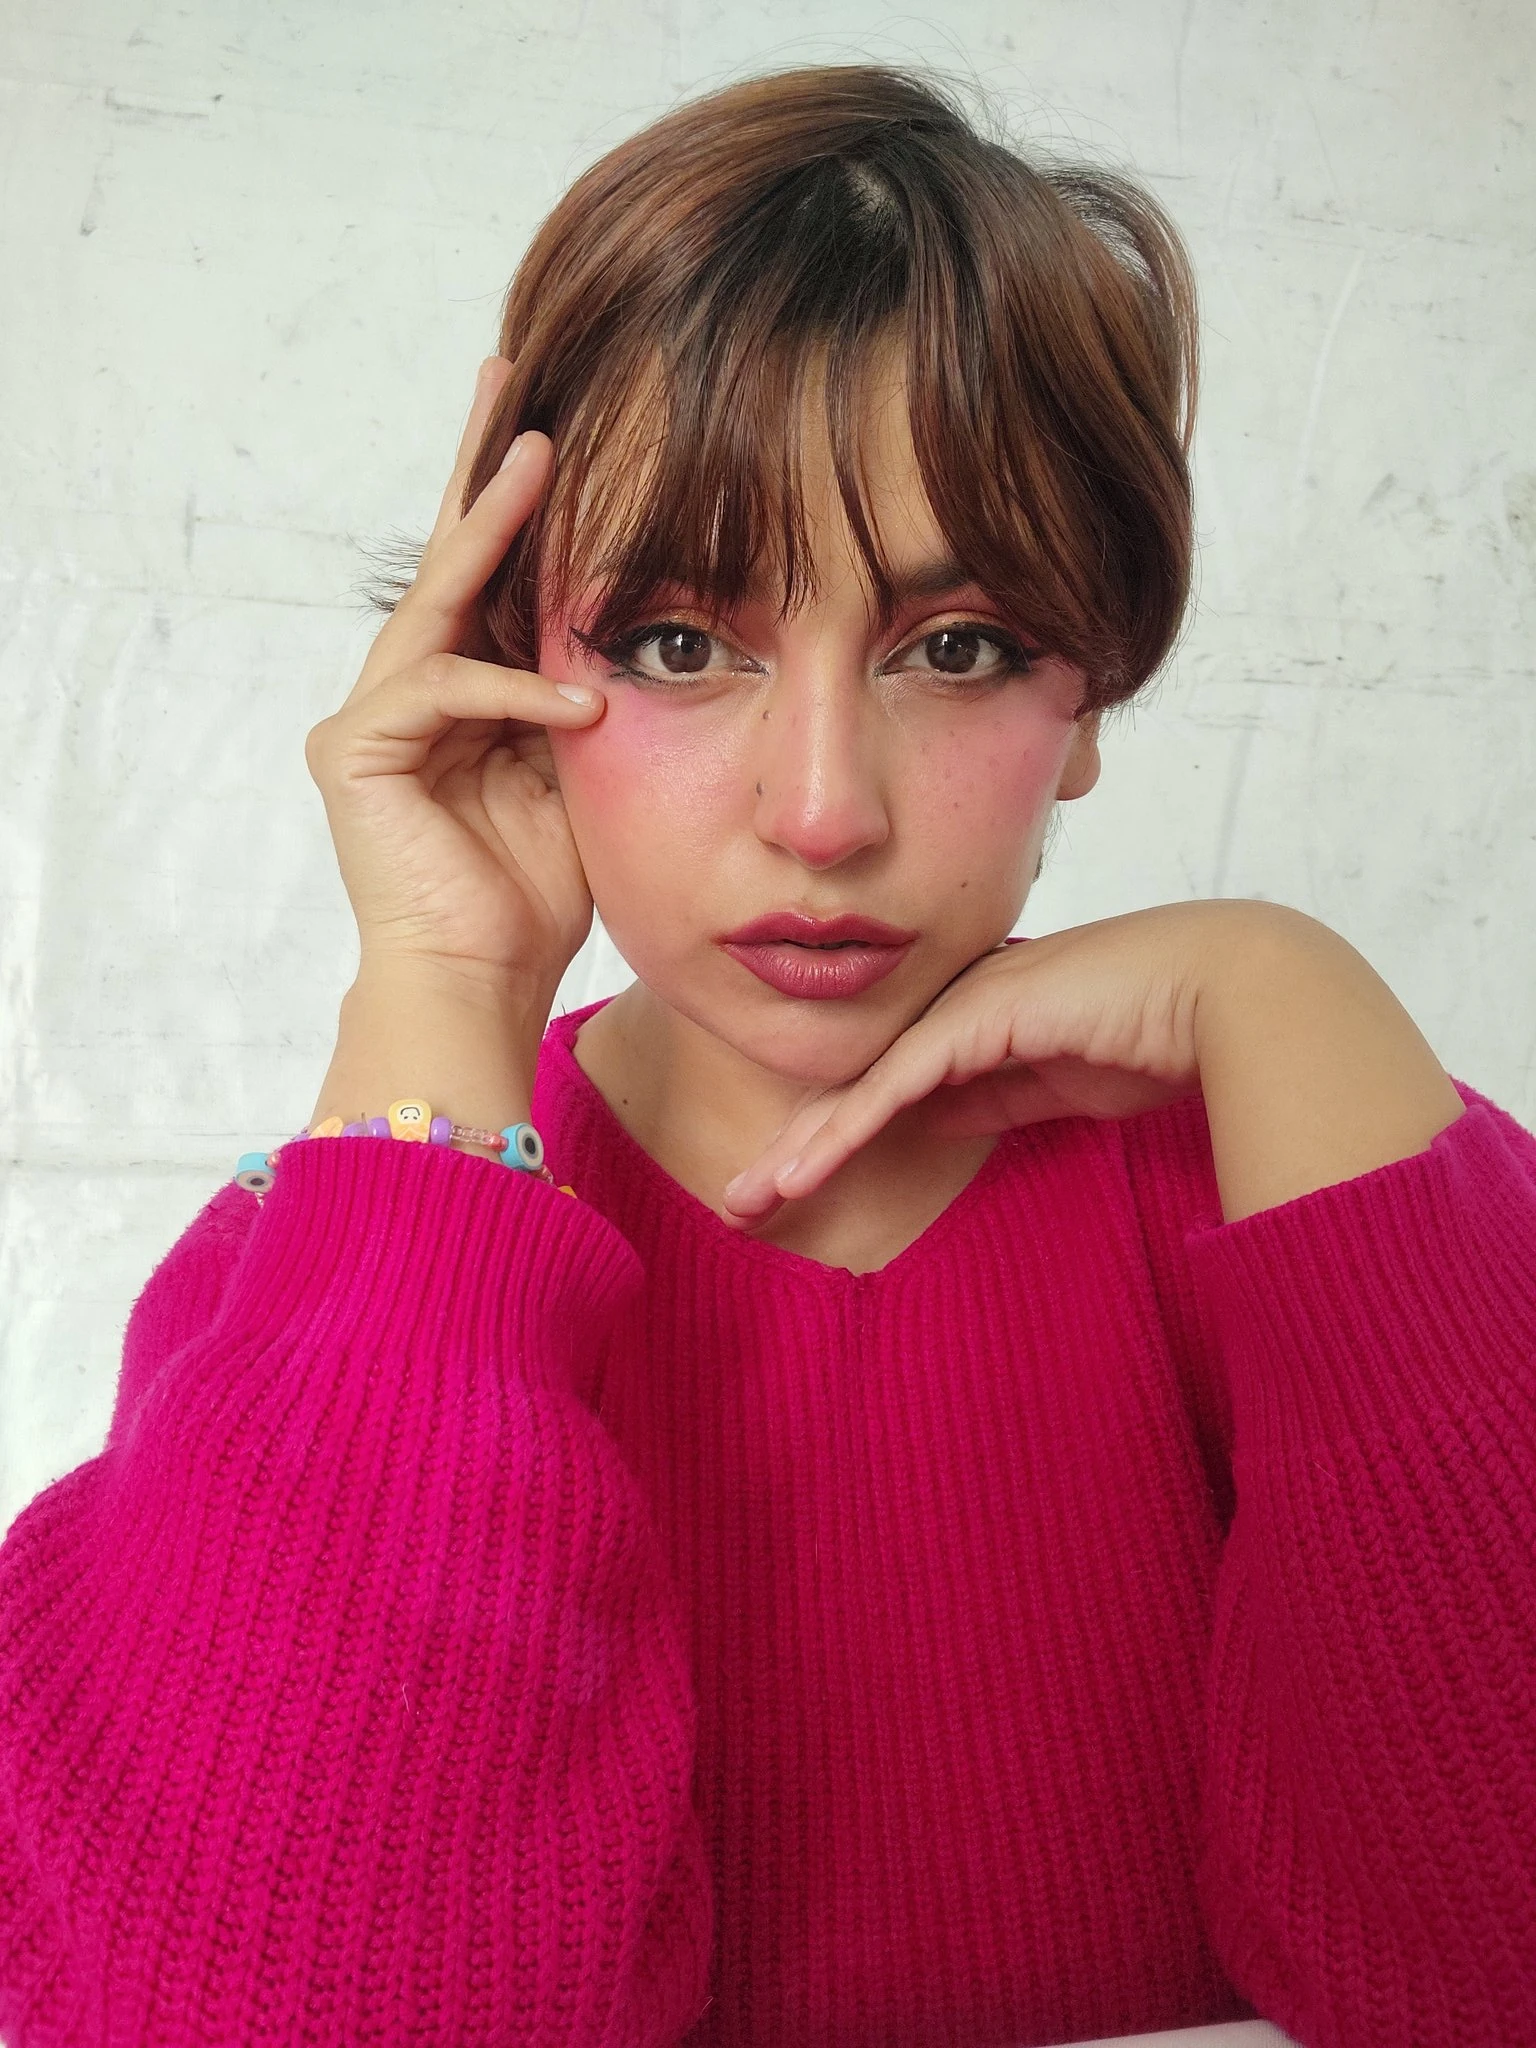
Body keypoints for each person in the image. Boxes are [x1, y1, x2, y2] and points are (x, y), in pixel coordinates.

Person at [1, 61, 1533, 2048]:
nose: (822, 810)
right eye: (678, 641)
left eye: (958, 645)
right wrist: (441, 996)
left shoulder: (1318, 1181)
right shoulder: (329, 1275)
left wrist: (1286, 989)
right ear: (505, 661)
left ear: (1089, 696)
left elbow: (1476, 1970)